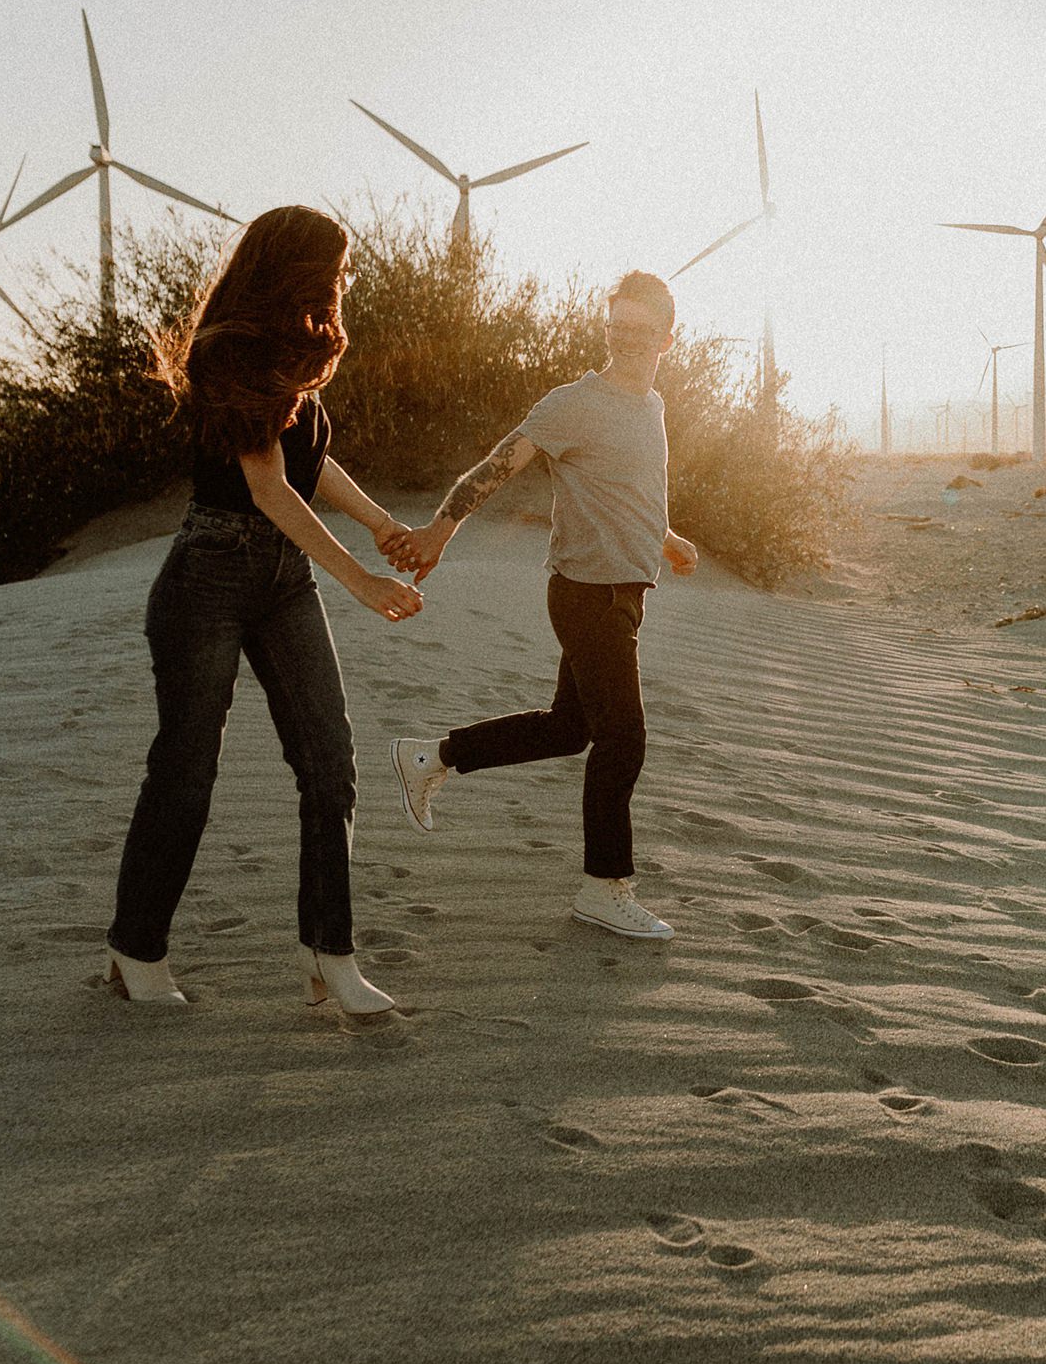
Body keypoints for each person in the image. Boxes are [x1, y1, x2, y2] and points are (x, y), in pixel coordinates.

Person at [103, 204, 425, 1011]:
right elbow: (268, 488)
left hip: (282, 577)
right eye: (338, 266)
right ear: (296, 267)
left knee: (330, 762)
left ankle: (330, 951)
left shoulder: (292, 350)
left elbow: (308, 462)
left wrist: (382, 521)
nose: (345, 280)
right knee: (186, 770)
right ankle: (135, 947)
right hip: (209, 573)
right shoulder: (227, 351)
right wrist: (363, 580)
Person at [386, 270, 697, 939]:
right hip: (586, 594)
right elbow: (496, 465)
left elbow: (630, 487)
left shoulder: (652, 407)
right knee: (624, 738)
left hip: (625, 592)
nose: (623, 341)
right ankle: (604, 886)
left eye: (639, 331)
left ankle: (431, 757)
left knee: (569, 728)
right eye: (615, 326)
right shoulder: (572, 404)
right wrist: (440, 530)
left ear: (667, 339)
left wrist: (666, 539)